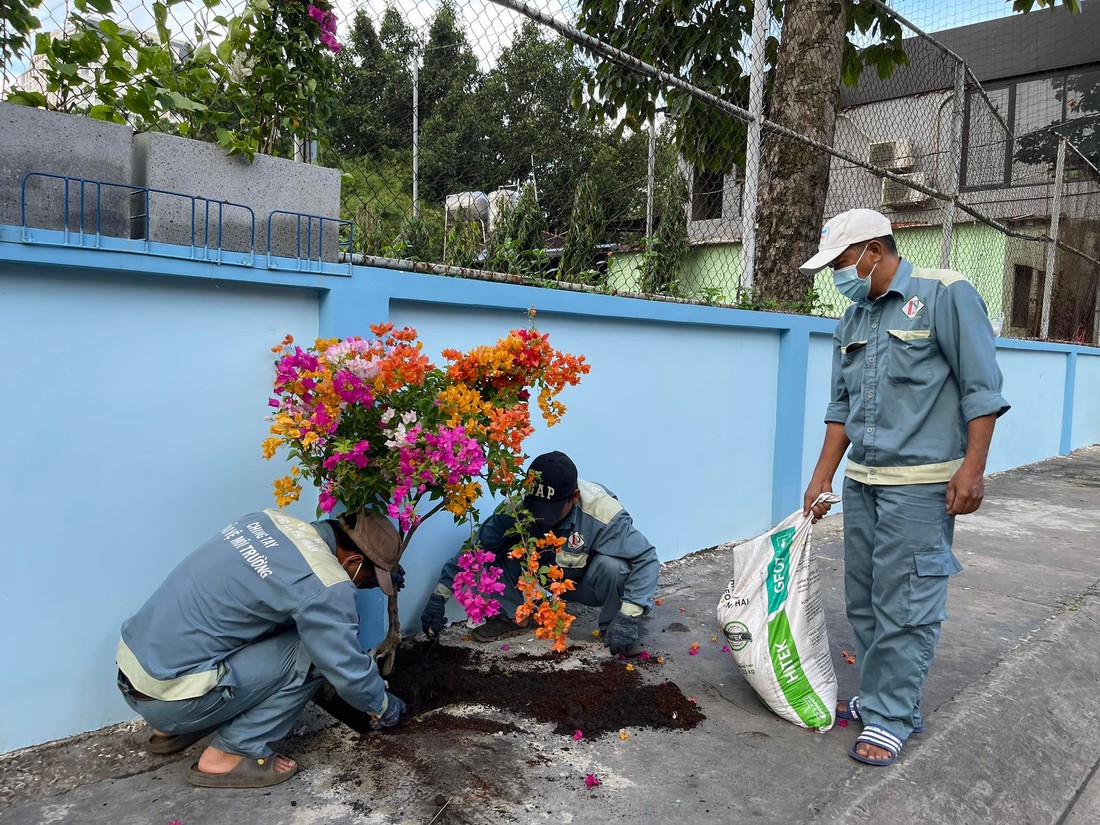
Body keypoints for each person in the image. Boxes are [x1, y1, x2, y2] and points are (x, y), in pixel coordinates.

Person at [800, 208, 1009, 767]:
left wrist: (972, 469)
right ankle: (883, 699)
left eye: (841, 262)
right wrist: (821, 477)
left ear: (873, 249)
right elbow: (839, 409)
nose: (838, 275)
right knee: (865, 601)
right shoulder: (852, 318)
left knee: (907, 602)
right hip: (863, 482)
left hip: (919, 485)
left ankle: (892, 716)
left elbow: (981, 389)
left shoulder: (945, 294)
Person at [116, 508, 407, 788]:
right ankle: (232, 753)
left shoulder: (264, 522)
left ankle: (170, 733)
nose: (364, 584)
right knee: (317, 655)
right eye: (368, 578)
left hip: (137, 674)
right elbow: (345, 666)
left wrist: (365, 581)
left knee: (278, 623)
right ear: (353, 562)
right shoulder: (324, 584)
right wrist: (381, 704)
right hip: (170, 701)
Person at [420, 451, 659, 657]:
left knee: (614, 567)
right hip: (545, 575)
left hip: (587, 582)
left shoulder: (602, 512)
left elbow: (646, 558)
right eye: (536, 509)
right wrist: (439, 596)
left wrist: (629, 617)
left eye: (550, 510)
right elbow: (478, 549)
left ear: (574, 497)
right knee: (493, 555)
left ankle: (614, 630)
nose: (541, 517)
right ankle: (515, 617)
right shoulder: (517, 507)